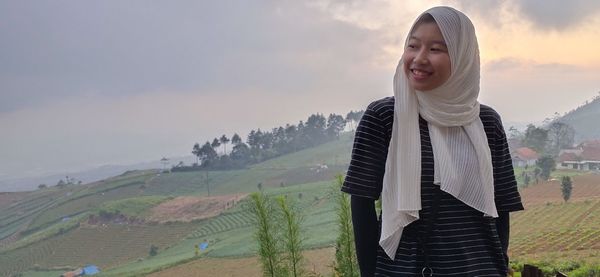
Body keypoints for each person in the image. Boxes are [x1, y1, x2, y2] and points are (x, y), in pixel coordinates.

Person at [341, 6, 524, 277]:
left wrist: (498, 263)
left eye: (436, 49)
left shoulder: (485, 121)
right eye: (413, 46)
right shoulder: (384, 118)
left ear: (462, 58)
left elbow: (499, 208)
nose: (419, 58)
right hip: (409, 269)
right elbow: (362, 204)